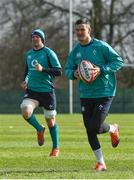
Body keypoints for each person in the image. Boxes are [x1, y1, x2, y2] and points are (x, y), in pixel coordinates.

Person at [65, 19, 124, 171]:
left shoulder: (101, 46)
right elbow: (67, 70)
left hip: (104, 92)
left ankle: (112, 128)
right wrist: (74, 73)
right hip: (86, 94)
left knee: (95, 126)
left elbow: (118, 61)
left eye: (82, 29)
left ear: (89, 30)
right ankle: (101, 162)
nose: (79, 32)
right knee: (90, 129)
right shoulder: (75, 51)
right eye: (77, 30)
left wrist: (101, 70)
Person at [20, 28, 62, 157]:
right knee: (25, 110)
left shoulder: (49, 53)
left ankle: (55, 148)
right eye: (33, 36)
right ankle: (39, 129)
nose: (35, 38)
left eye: (37, 36)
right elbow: (28, 71)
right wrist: (25, 80)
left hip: (47, 92)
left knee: (50, 121)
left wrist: (43, 69)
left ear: (42, 39)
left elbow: (58, 71)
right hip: (32, 91)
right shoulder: (29, 54)